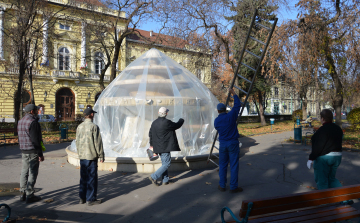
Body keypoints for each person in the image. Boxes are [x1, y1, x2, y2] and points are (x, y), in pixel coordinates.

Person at [307, 109, 344, 191]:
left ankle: (324, 202)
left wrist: (311, 158)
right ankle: (345, 198)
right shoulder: (337, 128)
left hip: (324, 158)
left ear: (322, 118)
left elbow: (318, 146)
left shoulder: (322, 130)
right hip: (337, 157)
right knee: (331, 179)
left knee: (322, 181)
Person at [215, 88, 243, 193]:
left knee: (222, 165)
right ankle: (233, 187)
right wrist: (234, 94)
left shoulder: (216, 121)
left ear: (218, 111)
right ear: (225, 110)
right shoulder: (230, 116)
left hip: (223, 144)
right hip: (233, 143)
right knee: (234, 165)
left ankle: (222, 185)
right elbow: (237, 106)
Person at [148, 107, 184, 186]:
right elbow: (176, 125)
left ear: (158, 112)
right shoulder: (167, 122)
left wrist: (152, 145)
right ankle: (154, 176)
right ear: (166, 114)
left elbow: (150, 134)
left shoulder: (154, 123)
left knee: (164, 163)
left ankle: (165, 180)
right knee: (167, 163)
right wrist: (181, 120)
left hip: (157, 147)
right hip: (164, 146)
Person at [76, 108, 105, 206]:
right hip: (91, 156)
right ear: (92, 114)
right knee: (91, 178)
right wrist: (101, 155)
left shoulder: (79, 127)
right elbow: (98, 143)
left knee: (83, 177)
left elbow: (77, 142)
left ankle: (82, 197)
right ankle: (91, 199)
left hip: (82, 156)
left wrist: (79, 153)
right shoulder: (94, 127)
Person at [18, 104, 45, 203]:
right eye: (36, 110)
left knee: (24, 171)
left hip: (23, 150)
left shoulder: (20, 121)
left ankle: (22, 193)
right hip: (32, 151)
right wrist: (40, 154)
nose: (38, 112)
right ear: (32, 111)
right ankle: (30, 194)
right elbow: (35, 140)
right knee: (33, 172)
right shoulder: (33, 122)